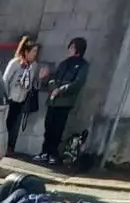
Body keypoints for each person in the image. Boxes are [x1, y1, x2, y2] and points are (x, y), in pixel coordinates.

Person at [34, 37, 89, 165]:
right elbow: (54, 78)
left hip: (64, 102)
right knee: (48, 127)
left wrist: (61, 90)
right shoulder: (64, 63)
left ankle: (53, 153)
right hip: (53, 100)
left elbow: (77, 83)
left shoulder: (82, 66)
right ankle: (44, 152)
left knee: (57, 129)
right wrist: (53, 87)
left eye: (72, 48)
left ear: (78, 50)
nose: (69, 50)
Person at [1, 36, 40, 155]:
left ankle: (9, 146)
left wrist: (41, 79)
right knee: (5, 123)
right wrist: (5, 97)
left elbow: (35, 84)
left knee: (13, 124)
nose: (35, 54)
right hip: (10, 98)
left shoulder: (34, 66)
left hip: (22, 99)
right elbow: (5, 80)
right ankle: (2, 147)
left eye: (36, 52)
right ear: (26, 51)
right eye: (33, 51)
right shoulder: (15, 63)